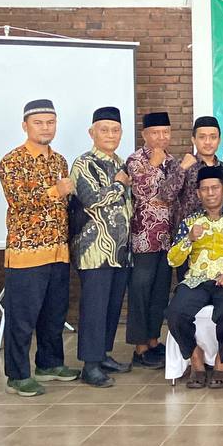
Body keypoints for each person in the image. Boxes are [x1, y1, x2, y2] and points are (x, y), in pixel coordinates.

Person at [0, 99, 79, 396]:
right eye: (39, 123)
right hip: (26, 252)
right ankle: (17, 375)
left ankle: (50, 364)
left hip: (58, 250)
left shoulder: (59, 161)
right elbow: (19, 201)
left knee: (54, 314)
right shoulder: (12, 161)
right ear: (25, 126)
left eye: (50, 122)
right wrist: (57, 190)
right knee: (22, 318)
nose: (46, 128)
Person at [165, 166, 223, 389]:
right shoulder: (190, 222)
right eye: (205, 189)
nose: (210, 193)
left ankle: (222, 360)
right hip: (196, 281)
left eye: (215, 188)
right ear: (198, 193)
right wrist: (189, 239)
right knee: (174, 313)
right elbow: (173, 259)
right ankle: (195, 357)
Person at [69, 106, 134, 388]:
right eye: (104, 130)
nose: (110, 135)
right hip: (94, 249)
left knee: (112, 306)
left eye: (115, 130)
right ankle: (90, 364)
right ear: (91, 133)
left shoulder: (120, 162)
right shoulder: (83, 164)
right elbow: (92, 199)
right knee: (94, 308)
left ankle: (103, 354)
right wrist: (119, 185)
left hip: (120, 250)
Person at [125, 111, 180, 368]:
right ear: (144, 135)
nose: (161, 137)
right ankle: (139, 348)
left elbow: (172, 196)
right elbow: (142, 192)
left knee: (160, 292)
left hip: (166, 238)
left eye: (165, 132)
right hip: (143, 239)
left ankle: (154, 341)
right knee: (141, 291)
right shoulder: (136, 160)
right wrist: (153, 165)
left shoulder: (172, 161)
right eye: (155, 133)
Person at [163, 115, 223, 273]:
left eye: (213, 137)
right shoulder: (181, 164)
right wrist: (182, 168)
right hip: (187, 239)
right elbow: (166, 195)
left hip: (218, 240)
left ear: (219, 140)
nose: (208, 142)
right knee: (187, 284)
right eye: (202, 137)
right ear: (193, 140)